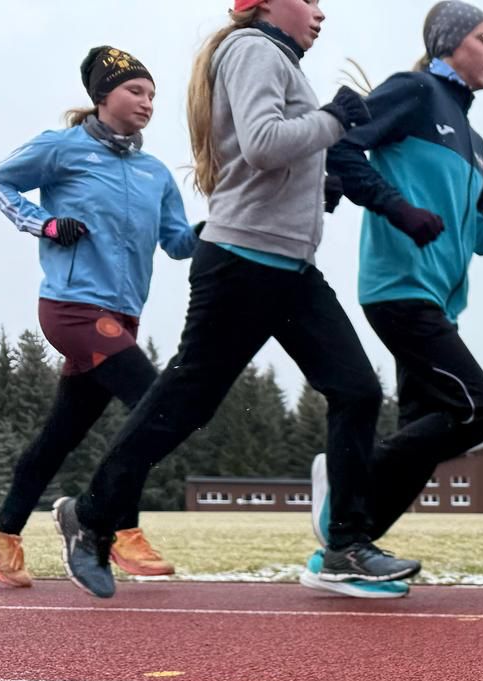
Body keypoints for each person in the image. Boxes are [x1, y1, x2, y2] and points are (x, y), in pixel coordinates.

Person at [51, 0, 420, 601]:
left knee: (356, 389)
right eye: (311, 0)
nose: (321, 12)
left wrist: (317, 183)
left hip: (290, 268)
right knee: (180, 405)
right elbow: (264, 142)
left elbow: (273, 158)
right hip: (243, 263)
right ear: (269, 4)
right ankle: (90, 520)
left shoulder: (280, 61)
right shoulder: (252, 49)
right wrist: (332, 119)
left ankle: (346, 547)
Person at [318, 2, 483, 596]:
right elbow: (340, 148)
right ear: (450, 44)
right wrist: (399, 210)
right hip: (398, 290)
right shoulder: (413, 92)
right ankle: (345, 508)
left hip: (438, 304)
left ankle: (347, 551)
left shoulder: (474, 142)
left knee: (424, 436)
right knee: (478, 411)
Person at [0, 47, 197, 588]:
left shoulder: (154, 173)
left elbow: (178, 242)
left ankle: (1, 529)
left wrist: (224, 231)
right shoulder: (63, 149)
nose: (147, 102)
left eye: (151, 94)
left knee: (63, 432)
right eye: (135, 91)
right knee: (154, 403)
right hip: (71, 306)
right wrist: (43, 224)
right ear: (103, 97)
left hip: (123, 317)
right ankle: (117, 527)